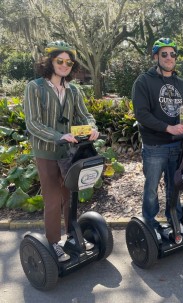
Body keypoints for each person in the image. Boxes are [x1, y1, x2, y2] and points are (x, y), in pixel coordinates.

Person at [23, 41, 99, 262]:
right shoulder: (35, 87)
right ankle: (54, 243)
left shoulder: (73, 90)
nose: (65, 65)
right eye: (60, 61)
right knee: (53, 200)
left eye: (69, 62)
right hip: (46, 152)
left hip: (69, 153)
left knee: (69, 197)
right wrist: (59, 136)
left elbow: (84, 115)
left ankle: (72, 237)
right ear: (49, 61)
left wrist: (92, 127)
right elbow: (33, 123)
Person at [132, 38, 183, 240]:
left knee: (174, 186)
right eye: (164, 54)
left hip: (178, 146)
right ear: (156, 57)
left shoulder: (182, 85)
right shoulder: (143, 82)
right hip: (154, 146)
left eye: (172, 54)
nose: (169, 58)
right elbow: (141, 114)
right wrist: (169, 127)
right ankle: (149, 223)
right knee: (151, 188)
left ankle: (173, 219)